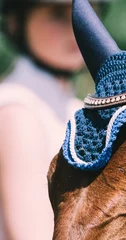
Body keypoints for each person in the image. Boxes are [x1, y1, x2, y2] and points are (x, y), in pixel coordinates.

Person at [0, 0, 109, 239]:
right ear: (16, 22)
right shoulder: (18, 111)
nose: (75, 27)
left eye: (86, 15)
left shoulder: (73, 106)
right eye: (57, 15)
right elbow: (31, 234)